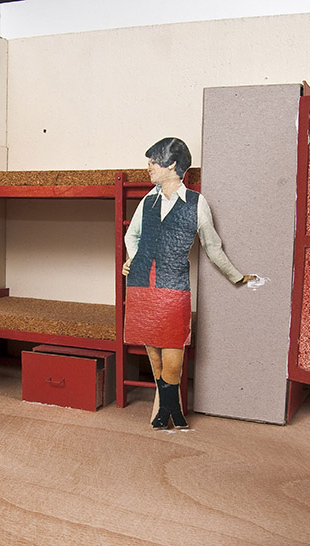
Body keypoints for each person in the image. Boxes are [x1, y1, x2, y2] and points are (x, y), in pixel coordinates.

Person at [123, 137, 255, 429]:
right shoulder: (148, 200)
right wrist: (133, 257)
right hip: (142, 282)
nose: (149, 168)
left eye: (153, 162)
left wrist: (236, 276)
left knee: (173, 357)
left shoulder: (196, 202)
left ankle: (168, 410)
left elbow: (212, 246)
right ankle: (170, 414)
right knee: (155, 358)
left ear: (172, 164)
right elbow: (131, 236)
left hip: (173, 286)